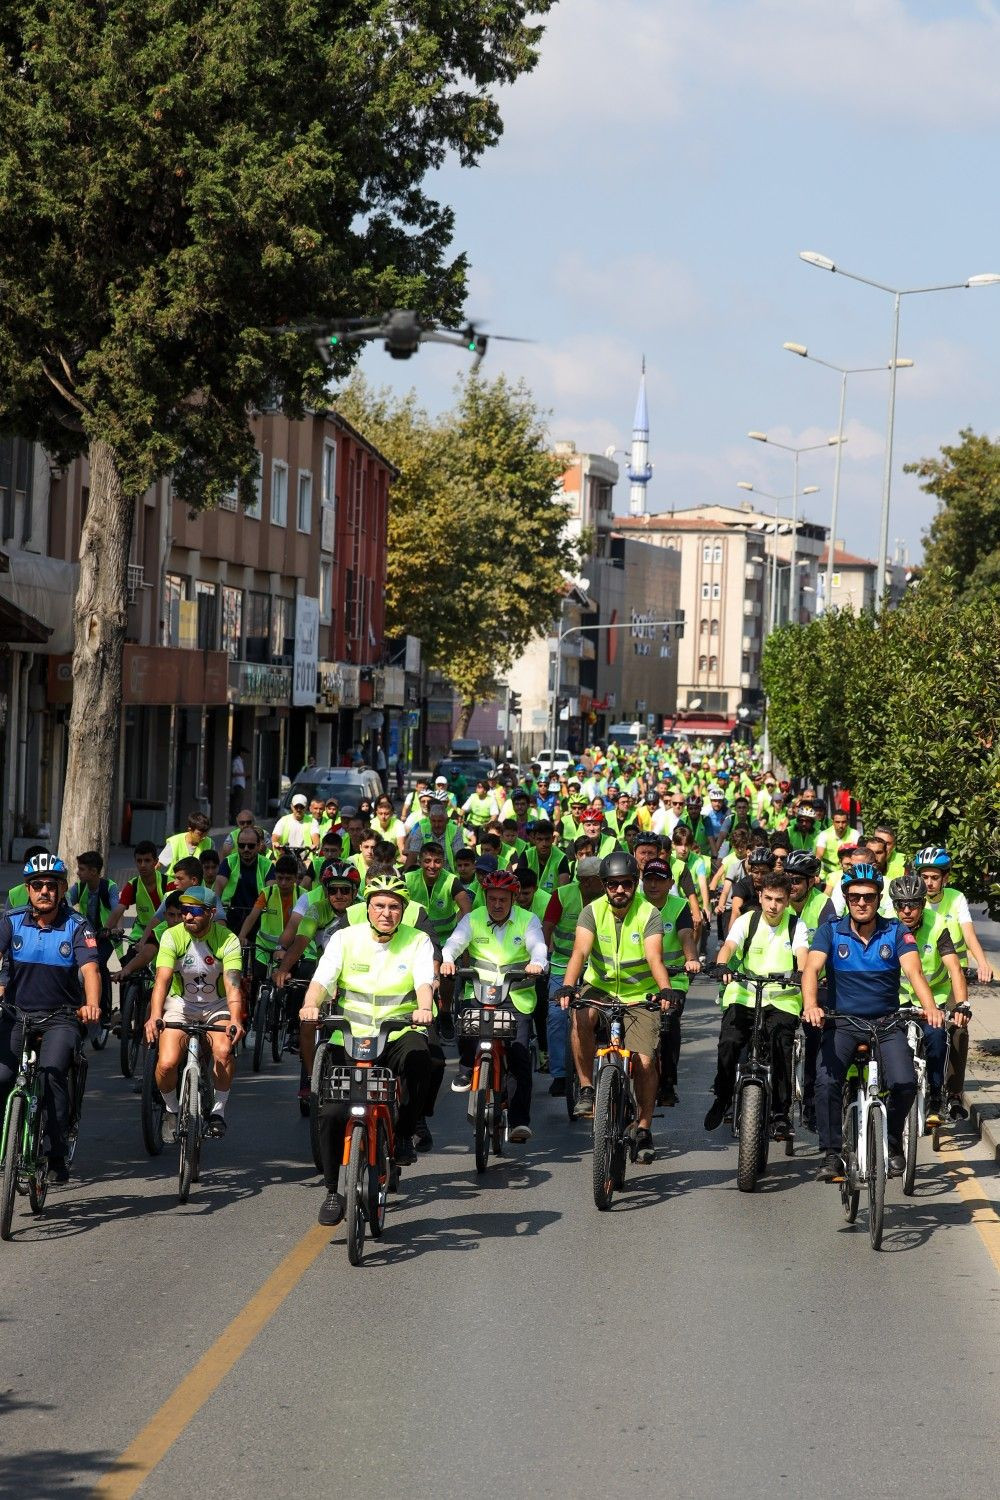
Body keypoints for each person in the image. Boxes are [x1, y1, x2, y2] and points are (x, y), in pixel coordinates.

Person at [299, 874, 438, 1226]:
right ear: (367, 907)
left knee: (423, 1059)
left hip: (396, 1032)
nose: (386, 913)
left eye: (394, 907)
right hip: (349, 1036)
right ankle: (333, 1190)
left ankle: (405, 1132)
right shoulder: (345, 938)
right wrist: (311, 1004)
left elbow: (424, 980)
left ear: (403, 910)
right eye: (379, 905)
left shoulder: (418, 940)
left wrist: (424, 1008)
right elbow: (323, 977)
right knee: (331, 1113)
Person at [801, 863, 942, 1183]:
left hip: (887, 1023)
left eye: (868, 897)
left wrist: (930, 1008)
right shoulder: (830, 931)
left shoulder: (896, 932)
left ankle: (892, 1138)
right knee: (825, 1082)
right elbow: (811, 970)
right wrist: (811, 1005)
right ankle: (832, 1153)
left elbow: (914, 973)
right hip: (843, 1023)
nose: (861, 902)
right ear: (846, 898)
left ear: (879, 899)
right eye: (854, 897)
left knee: (906, 1083)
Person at [557, 851, 674, 1160]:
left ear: (634, 884)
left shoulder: (649, 914)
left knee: (646, 1063)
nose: (619, 890)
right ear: (604, 885)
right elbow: (580, 953)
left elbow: (654, 958)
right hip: (602, 987)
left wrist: (665, 990)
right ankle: (586, 1088)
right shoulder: (592, 912)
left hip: (641, 993)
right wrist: (568, 986)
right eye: (612, 885)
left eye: (625, 884)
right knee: (580, 1014)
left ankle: (644, 1128)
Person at [0, 854, 101, 1182]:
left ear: (62, 889)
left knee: (52, 1073)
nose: (45, 890)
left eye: (52, 885)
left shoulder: (77, 925)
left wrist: (92, 1004)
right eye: (37, 885)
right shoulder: (11, 921)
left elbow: (90, 969)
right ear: (28, 890)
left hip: (61, 1017)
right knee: (2, 1077)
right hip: (17, 1015)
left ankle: (55, 1152)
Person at [441, 869, 547, 1140]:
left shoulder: (528, 920)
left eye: (503, 899)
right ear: (485, 897)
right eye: (492, 899)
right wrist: (449, 958)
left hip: (516, 999)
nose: (497, 905)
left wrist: (537, 963)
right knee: (466, 1028)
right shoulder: (473, 918)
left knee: (519, 1056)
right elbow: (454, 942)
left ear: (513, 899)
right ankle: (466, 1070)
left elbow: (538, 948)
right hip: (479, 992)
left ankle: (519, 1120)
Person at [704, 872, 809, 1139]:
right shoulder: (746, 921)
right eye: (769, 898)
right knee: (729, 1042)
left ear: (787, 902)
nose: (773, 905)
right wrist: (722, 965)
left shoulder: (797, 926)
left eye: (780, 900)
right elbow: (729, 945)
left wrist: (801, 972)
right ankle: (723, 1096)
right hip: (745, 993)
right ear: (761, 897)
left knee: (781, 1046)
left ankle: (780, 1114)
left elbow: (802, 955)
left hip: (782, 998)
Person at [144, 885, 244, 1141]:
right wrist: (155, 1015)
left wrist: (235, 1018)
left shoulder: (228, 940)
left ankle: (218, 1111)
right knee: (166, 1064)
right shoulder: (171, 936)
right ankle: (171, 1109)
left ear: (211, 913)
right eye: (185, 910)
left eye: (194, 911)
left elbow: (233, 985)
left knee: (222, 1052)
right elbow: (162, 981)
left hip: (216, 1005)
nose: (187, 916)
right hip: (180, 1005)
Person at [890, 871, 968, 1124]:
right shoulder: (886, 926)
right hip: (897, 1000)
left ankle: (936, 1097)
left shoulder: (938, 924)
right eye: (901, 905)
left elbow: (955, 967)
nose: (907, 911)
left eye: (913, 904)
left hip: (933, 999)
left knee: (936, 1036)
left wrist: (963, 1004)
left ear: (923, 904)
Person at [640, 857, 700, 1106]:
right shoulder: (635, 904)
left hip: (674, 981)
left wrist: (691, 959)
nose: (653, 884)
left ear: (670, 883)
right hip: (641, 980)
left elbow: (686, 935)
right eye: (649, 879)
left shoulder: (679, 906)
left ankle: (667, 1083)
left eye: (659, 880)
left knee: (668, 1023)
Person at [913, 846, 994, 985]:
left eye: (935, 877)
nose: (929, 883)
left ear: (945, 877)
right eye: (924, 877)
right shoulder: (912, 900)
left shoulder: (957, 897)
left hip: (954, 972)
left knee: (958, 1007)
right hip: (924, 973)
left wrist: (982, 963)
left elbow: (969, 935)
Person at [68, 851, 121, 1032]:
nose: (78, 873)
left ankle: (105, 1012)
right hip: (86, 935)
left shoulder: (109, 887)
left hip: (105, 935)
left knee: (99, 965)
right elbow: (65, 901)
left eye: (81, 869)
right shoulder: (80, 887)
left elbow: (117, 909)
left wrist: (112, 928)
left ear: (93, 871)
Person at [215, 825, 272, 936]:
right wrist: (219, 916)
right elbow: (218, 889)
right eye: (241, 846)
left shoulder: (267, 865)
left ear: (258, 846)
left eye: (250, 846)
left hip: (259, 922)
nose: (246, 849)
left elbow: (271, 892)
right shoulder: (228, 862)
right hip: (229, 920)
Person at [159, 811, 212, 878]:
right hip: (173, 884)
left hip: (196, 885)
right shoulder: (175, 842)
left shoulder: (209, 843)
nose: (203, 837)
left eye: (206, 834)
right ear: (190, 829)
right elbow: (158, 864)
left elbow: (212, 868)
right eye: (200, 834)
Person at [230, 746, 249, 824]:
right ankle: (234, 821)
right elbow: (233, 773)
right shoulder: (236, 761)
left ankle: (236, 820)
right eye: (244, 753)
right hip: (237, 784)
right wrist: (244, 774)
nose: (245, 755)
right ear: (241, 752)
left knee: (239, 803)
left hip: (241, 784)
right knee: (237, 804)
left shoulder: (241, 761)